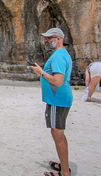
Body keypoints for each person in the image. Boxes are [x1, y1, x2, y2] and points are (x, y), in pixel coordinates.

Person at [30, 28, 73, 176]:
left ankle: (65, 172)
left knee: (57, 135)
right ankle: (64, 165)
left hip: (57, 100)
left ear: (59, 38)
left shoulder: (59, 56)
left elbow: (58, 81)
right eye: (46, 38)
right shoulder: (61, 54)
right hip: (59, 99)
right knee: (58, 134)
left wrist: (41, 72)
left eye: (50, 38)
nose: (46, 40)